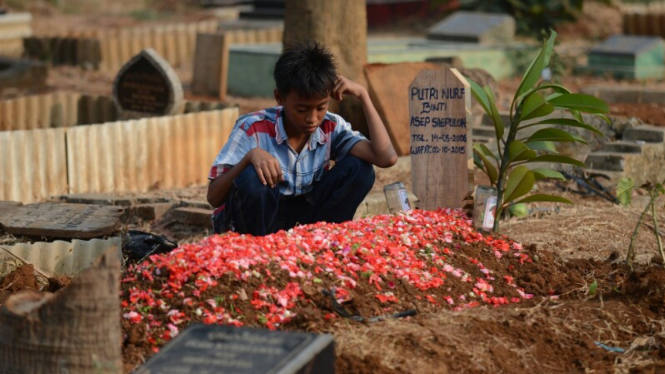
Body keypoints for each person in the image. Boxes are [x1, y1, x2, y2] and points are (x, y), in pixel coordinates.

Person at [207, 40, 397, 236]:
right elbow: (213, 197)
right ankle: (259, 252)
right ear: (280, 98)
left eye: (321, 108)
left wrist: (363, 95)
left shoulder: (330, 126)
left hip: (302, 219)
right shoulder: (253, 128)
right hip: (257, 221)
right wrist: (250, 157)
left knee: (360, 169)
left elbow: (386, 158)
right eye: (301, 109)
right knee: (254, 177)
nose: (312, 119)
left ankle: (322, 240)